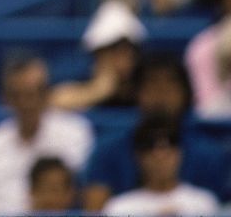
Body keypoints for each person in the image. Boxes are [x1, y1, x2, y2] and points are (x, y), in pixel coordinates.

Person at [80, 51, 230, 211]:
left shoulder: (210, 154)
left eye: (169, 85)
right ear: (136, 92)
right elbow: (94, 210)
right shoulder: (106, 150)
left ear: (185, 93)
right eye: (152, 85)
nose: (161, 94)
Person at [0, 55, 94, 213]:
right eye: (18, 95)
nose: (27, 103)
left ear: (46, 93)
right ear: (6, 98)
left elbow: (82, 194)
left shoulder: (76, 133)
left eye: (34, 93)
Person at [102, 112, 220, 216]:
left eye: (169, 147)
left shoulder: (204, 204)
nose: (160, 157)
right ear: (138, 156)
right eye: (150, 148)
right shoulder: (120, 207)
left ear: (180, 153)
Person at [49, 0, 147, 110]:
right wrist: (99, 90)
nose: (125, 58)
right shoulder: (80, 79)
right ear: (98, 53)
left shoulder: (145, 86)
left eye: (130, 50)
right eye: (114, 49)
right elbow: (51, 102)